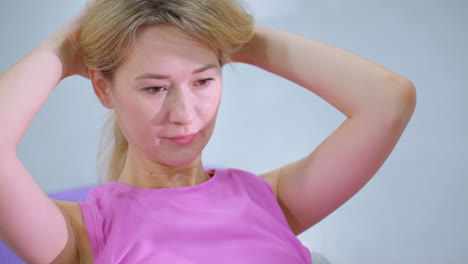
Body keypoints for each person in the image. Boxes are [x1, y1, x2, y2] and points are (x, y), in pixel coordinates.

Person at [0, 0, 416, 263]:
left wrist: (230, 35)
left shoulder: (271, 200)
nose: (185, 114)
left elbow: (389, 101)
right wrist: (64, 46)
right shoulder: (79, 234)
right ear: (102, 87)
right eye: (155, 88)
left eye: (203, 81)